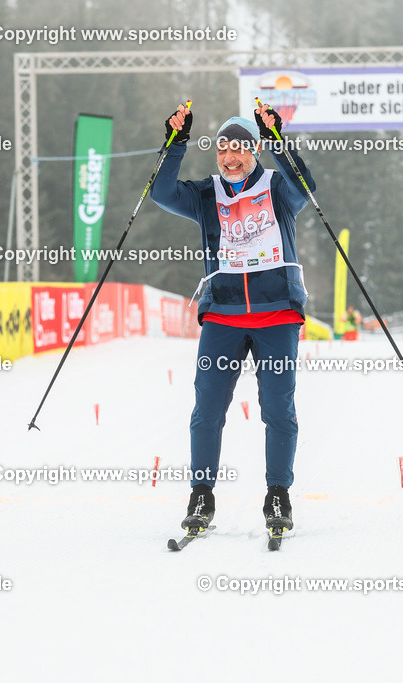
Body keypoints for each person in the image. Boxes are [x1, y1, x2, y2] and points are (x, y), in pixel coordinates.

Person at [151, 101, 316, 534]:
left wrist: (279, 140)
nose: (231, 156)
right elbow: (162, 193)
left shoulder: (278, 189)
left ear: (255, 152)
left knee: (278, 408)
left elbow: (306, 186)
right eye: (223, 148)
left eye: (241, 148)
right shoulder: (207, 195)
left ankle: (278, 497)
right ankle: (201, 496)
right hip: (223, 315)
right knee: (207, 409)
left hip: (277, 313)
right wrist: (175, 143)